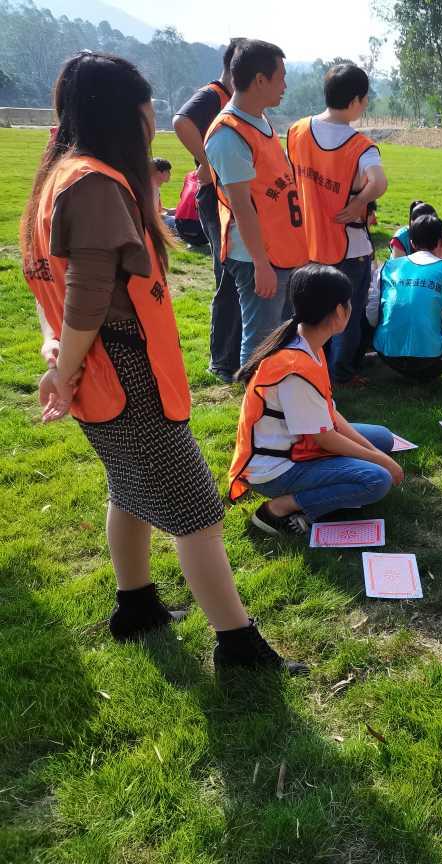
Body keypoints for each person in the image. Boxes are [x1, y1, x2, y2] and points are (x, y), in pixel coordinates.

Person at [22, 51, 303, 675]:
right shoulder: (93, 183)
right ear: (127, 113)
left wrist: (57, 357)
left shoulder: (59, 175)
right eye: (147, 103)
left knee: (129, 487)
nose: (155, 115)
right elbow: (85, 294)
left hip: (101, 374)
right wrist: (62, 367)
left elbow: (53, 284)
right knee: (197, 509)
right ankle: (238, 645)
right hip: (122, 374)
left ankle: (136, 605)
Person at [228, 264, 404, 534]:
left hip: (296, 445)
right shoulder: (295, 367)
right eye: (347, 302)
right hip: (276, 469)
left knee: (382, 438)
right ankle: (278, 508)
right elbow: (325, 437)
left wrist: (375, 453)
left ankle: (334, 483)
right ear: (338, 312)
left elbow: (329, 413)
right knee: (376, 480)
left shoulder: (307, 342)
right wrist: (381, 462)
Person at [205, 39, 307, 368]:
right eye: (281, 77)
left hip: (281, 249)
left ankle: (277, 399)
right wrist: (261, 264)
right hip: (256, 257)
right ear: (260, 80)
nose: (285, 86)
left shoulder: (259, 120)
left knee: (281, 333)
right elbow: (242, 207)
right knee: (261, 339)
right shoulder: (228, 134)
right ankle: (256, 409)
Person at [286, 62, 388, 385]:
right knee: (347, 312)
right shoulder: (360, 145)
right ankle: (340, 373)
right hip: (348, 244)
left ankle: (309, 367)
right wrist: (359, 201)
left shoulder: (296, 131)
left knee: (311, 311)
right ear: (356, 101)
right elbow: (379, 182)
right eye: (366, 98)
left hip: (306, 240)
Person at [174, 38, 242, 382]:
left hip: (229, 194)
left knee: (235, 271)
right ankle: (222, 360)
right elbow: (181, 121)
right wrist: (208, 161)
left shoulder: (233, 101)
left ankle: (236, 352)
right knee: (228, 271)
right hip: (214, 196)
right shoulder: (214, 94)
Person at [373, 215, 442, 381]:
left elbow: (371, 313)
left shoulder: (388, 267)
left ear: (412, 243)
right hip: (428, 361)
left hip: (386, 354)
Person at [170, 169, 210, 246]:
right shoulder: (212, 178)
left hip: (181, 228)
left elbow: (182, 196)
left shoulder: (189, 175)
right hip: (203, 234)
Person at [151, 157, 176, 229]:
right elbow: (152, 215)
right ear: (159, 173)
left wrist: (167, 211)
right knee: (179, 222)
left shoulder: (153, 186)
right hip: (154, 222)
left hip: (157, 218)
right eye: (167, 171)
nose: (170, 174)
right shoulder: (153, 189)